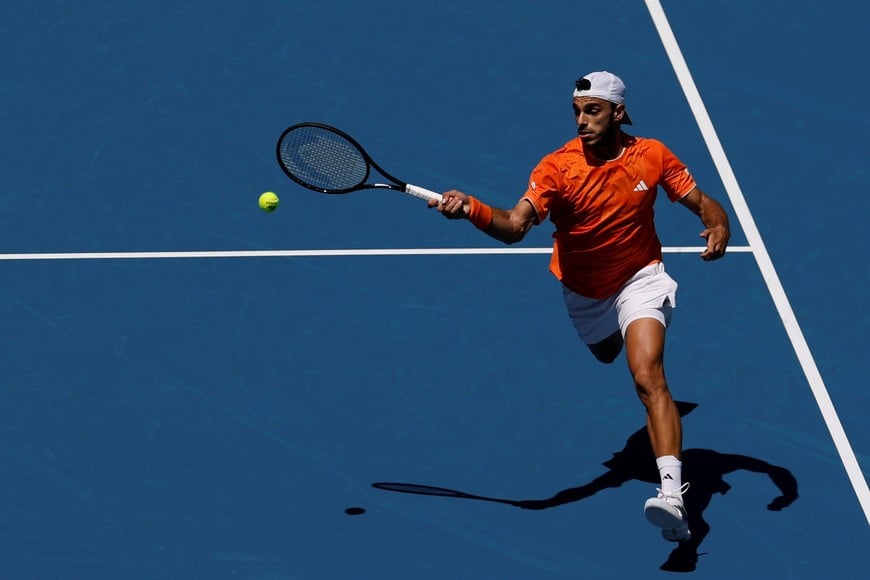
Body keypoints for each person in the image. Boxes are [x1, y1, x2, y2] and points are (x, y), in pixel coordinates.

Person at [429, 70, 730, 543]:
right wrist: (472, 208)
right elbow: (513, 226)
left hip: (640, 277)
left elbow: (702, 201)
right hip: (584, 291)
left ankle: (672, 496)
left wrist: (718, 224)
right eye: (576, 111)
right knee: (607, 353)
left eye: (592, 110)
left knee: (646, 374)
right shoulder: (557, 168)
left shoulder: (651, 155)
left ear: (619, 112)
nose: (582, 121)